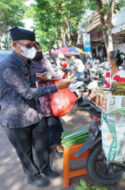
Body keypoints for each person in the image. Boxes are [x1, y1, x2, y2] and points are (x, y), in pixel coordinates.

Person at [0, 27, 71, 188]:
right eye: (27, 45)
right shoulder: (8, 66)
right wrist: (57, 87)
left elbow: (35, 83)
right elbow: (28, 92)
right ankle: (33, 175)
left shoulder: (29, 62)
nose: (32, 48)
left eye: (33, 44)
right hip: (15, 118)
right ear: (15, 45)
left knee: (42, 145)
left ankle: (45, 168)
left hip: (35, 113)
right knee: (25, 152)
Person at [32, 42, 64, 157]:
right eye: (35, 49)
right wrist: (36, 76)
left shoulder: (44, 59)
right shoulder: (27, 63)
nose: (38, 51)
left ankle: (58, 146)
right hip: (36, 99)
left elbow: (52, 74)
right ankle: (47, 147)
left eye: (39, 48)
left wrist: (44, 77)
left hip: (50, 98)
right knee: (41, 127)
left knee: (54, 123)